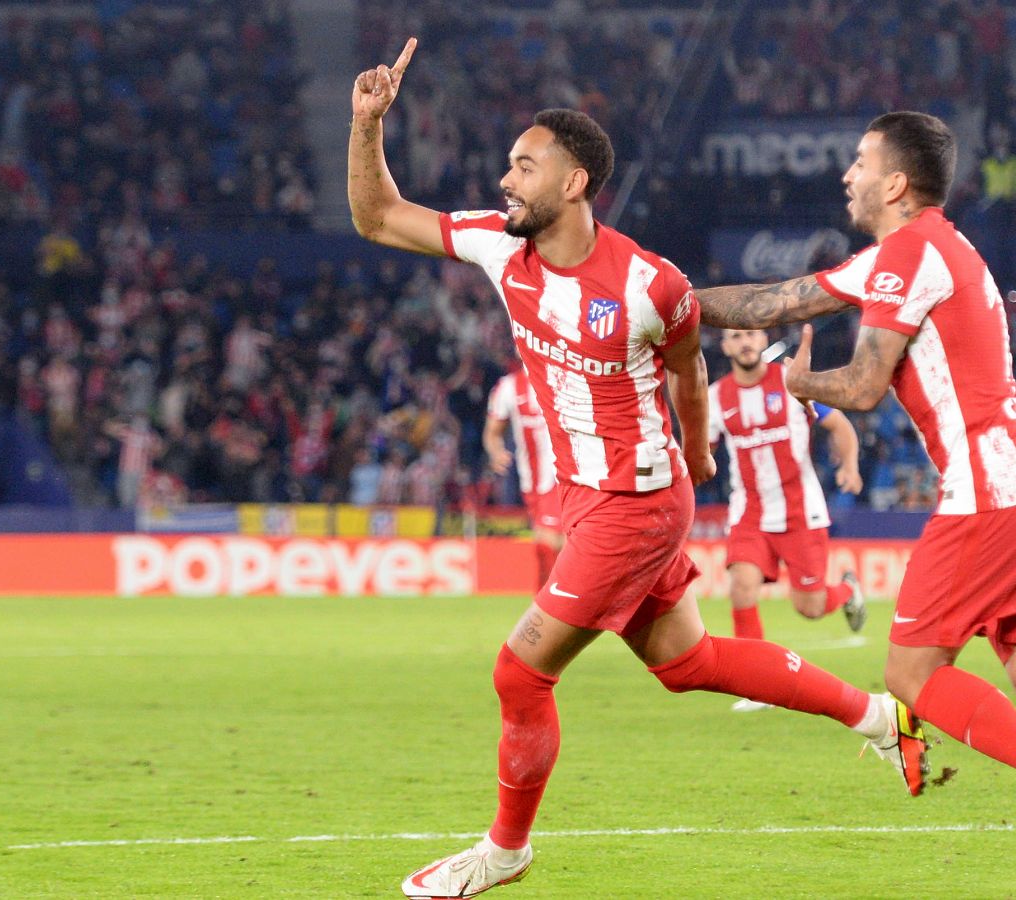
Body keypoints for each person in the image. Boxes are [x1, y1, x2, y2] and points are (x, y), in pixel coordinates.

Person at [347, 41, 927, 900]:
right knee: (688, 663)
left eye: (524, 167)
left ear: (573, 182)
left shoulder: (650, 286)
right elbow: (378, 217)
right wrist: (367, 125)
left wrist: (694, 448)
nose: (505, 181)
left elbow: (690, 371)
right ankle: (882, 718)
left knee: (519, 671)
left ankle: (504, 852)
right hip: (591, 497)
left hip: (633, 505)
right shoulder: (498, 246)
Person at [696, 111, 1016, 900]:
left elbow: (863, 385)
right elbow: (772, 302)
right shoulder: (921, 251)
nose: (847, 175)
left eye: (860, 162)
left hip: (991, 486)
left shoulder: (908, 252)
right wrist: (671, 301)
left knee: (910, 672)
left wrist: (802, 384)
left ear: (896, 182)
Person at [710, 327, 867, 712]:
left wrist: (849, 466)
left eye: (750, 335)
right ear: (725, 346)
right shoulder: (714, 398)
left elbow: (839, 424)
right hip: (749, 511)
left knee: (810, 607)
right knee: (741, 586)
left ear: (763, 340)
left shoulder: (791, 381)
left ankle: (847, 592)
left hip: (800, 512)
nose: (745, 342)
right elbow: (701, 449)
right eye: (735, 336)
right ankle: (757, 685)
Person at [484, 366, 562, 589]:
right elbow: (492, 433)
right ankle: (550, 600)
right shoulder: (508, 387)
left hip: (561, 475)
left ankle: (551, 602)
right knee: (544, 541)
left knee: (554, 540)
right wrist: (495, 452)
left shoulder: (565, 377)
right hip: (530, 480)